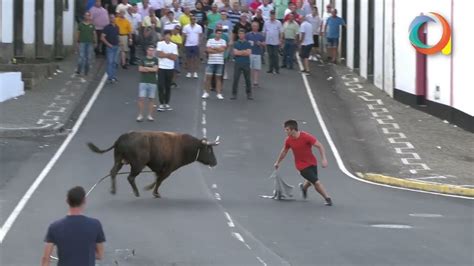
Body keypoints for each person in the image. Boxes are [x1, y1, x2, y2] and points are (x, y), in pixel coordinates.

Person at [41, 186, 106, 266]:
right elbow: (100, 255)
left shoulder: (55, 227)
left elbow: (46, 258)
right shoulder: (95, 225)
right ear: (84, 201)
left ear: (67, 201)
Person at [274, 120, 333, 206]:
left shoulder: (306, 137)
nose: (285, 131)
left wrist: (324, 159)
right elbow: (284, 151)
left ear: (293, 129)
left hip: (312, 162)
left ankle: (304, 188)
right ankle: (328, 198)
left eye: (287, 129)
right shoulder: (288, 140)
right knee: (316, 182)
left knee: (310, 181)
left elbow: (319, 145)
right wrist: (277, 162)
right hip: (301, 166)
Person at [156, 31, 178, 111]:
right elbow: (159, 54)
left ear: (171, 36)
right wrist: (169, 54)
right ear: (164, 36)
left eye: (169, 35)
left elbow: (175, 57)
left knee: (168, 86)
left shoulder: (174, 45)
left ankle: (167, 103)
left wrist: (165, 54)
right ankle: (161, 103)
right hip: (161, 68)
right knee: (161, 86)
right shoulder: (160, 43)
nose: (167, 37)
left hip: (170, 68)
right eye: (166, 35)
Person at [202, 28, 227, 100]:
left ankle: (218, 93)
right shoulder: (210, 41)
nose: (219, 35)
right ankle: (206, 92)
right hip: (211, 62)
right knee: (208, 78)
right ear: (215, 34)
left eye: (220, 33)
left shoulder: (223, 41)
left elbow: (222, 49)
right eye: (218, 33)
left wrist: (213, 49)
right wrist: (217, 50)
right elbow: (208, 50)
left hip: (220, 62)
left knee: (218, 78)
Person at [137, 45, 158, 122]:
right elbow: (140, 69)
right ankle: (140, 114)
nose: (151, 52)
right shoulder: (143, 59)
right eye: (150, 50)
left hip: (152, 81)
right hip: (143, 81)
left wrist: (146, 68)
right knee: (141, 98)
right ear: (147, 51)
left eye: (152, 50)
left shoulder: (155, 59)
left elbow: (155, 69)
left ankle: (150, 115)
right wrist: (150, 69)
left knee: (151, 99)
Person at [231, 29, 253, 100]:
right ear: (238, 35)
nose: (241, 35)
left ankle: (249, 94)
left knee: (247, 79)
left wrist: (240, 52)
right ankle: (234, 94)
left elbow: (249, 53)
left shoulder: (248, 43)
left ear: (244, 35)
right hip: (238, 63)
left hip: (246, 63)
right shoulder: (236, 43)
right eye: (240, 34)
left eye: (242, 34)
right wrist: (244, 52)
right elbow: (235, 53)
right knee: (236, 79)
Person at [76, 12, 97, 76]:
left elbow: (94, 34)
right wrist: (77, 42)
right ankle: (79, 70)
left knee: (88, 58)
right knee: (81, 57)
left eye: (88, 15)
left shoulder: (92, 25)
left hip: (90, 43)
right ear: (84, 16)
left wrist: (95, 42)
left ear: (89, 16)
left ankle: (86, 71)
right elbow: (78, 33)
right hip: (82, 42)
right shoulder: (80, 24)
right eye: (86, 15)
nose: (87, 17)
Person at [101, 14, 120, 83]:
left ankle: (113, 76)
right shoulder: (106, 28)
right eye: (111, 18)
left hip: (116, 46)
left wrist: (119, 43)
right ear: (109, 19)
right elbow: (102, 37)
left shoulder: (117, 27)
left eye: (113, 17)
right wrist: (108, 44)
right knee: (110, 62)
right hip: (110, 47)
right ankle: (110, 77)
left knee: (115, 62)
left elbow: (117, 36)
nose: (112, 19)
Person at [246, 21, 265, 87]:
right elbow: (245, 43)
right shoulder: (248, 34)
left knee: (256, 68)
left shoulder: (260, 35)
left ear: (258, 27)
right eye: (253, 26)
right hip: (250, 53)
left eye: (256, 26)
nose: (254, 27)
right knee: (249, 68)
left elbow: (264, 44)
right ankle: (248, 81)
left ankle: (255, 81)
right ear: (251, 26)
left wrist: (261, 43)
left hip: (257, 53)